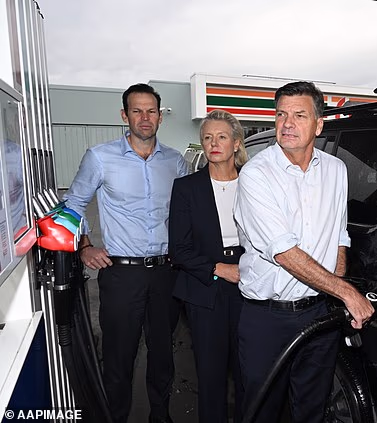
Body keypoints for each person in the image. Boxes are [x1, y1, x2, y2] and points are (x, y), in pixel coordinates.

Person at [234, 81, 375, 423]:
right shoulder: (256, 174)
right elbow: (283, 251)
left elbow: (339, 233)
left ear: (318, 124)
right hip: (268, 318)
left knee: (312, 410)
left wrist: (334, 292)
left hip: (319, 314)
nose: (287, 123)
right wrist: (346, 292)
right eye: (281, 114)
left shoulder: (336, 169)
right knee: (261, 412)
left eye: (299, 115)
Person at [63, 83, 189, 423]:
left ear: (160, 116)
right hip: (121, 275)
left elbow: (188, 211)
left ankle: (160, 416)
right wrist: (84, 247)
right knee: (119, 358)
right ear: (124, 115)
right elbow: (73, 205)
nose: (145, 118)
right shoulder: (100, 157)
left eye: (151, 111)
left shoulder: (175, 162)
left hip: (165, 273)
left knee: (162, 356)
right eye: (137, 111)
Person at [168, 109, 247, 423]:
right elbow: (178, 249)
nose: (214, 143)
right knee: (211, 375)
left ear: (236, 143)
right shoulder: (186, 188)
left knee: (249, 372)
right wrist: (219, 268)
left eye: (222, 137)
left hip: (251, 285)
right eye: (208, 137)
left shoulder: (254, 184)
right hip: (205, 287)